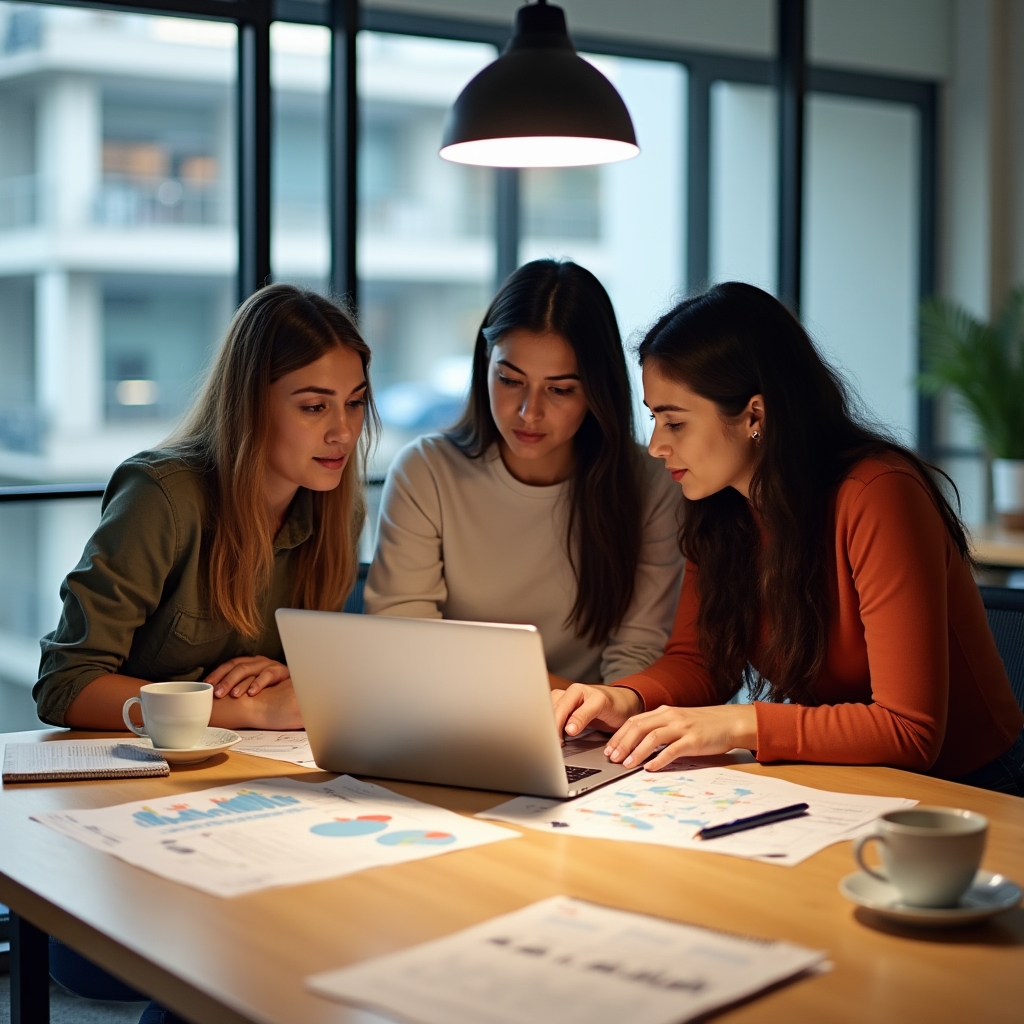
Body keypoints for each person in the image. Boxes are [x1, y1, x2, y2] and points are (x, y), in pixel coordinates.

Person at [553, 282, 1024, 794]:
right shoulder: (720, 506)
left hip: (972, 789)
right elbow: (701, 661)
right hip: (846, 781)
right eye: (653, 418)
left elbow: (909, 729)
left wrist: (739, 724)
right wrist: (623, 698)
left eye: (675, 422)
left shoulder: (878, 494)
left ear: (755, 415)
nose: (656, 446)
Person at [34, 283, 377, 732]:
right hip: (140, 773)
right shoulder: (161, 497)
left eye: (354, 404)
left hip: (251, 774)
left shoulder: (337, 510)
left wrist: (292, 678)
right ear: (250, 404)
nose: (344, 432)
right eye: (314, 407)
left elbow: (309, 668)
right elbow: (65, 687)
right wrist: (250, 710)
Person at [366, 260, 683, 687]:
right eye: (510, 380)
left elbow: (637, 661)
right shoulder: (426, 472)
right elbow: (404, 645)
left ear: (596, 388)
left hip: (589, 734)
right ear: (485, 362)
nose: (529, 412)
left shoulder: (652, 484)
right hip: (448, 720)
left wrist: (586, 710)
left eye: (560, 389)